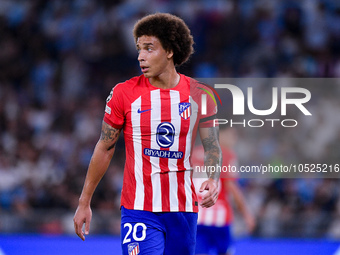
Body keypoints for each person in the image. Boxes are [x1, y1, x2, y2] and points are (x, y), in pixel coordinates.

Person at [73, 13, 222, 255]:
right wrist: (84, 201)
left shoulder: (201, 96)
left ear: (170, 51)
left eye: (149, 48)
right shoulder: (124, 93)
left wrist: (212, 178)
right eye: (139, 48)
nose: (141, 56)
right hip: (139, 208)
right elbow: (105, 147)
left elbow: (212, 147)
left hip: (183, 210)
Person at [193, 127, 255, 255]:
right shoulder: (226, 155)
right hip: (219, 219)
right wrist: (247, 215)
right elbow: (232, 188)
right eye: (232, 135)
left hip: (196, 217)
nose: (234, 140)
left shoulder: (193, 153)